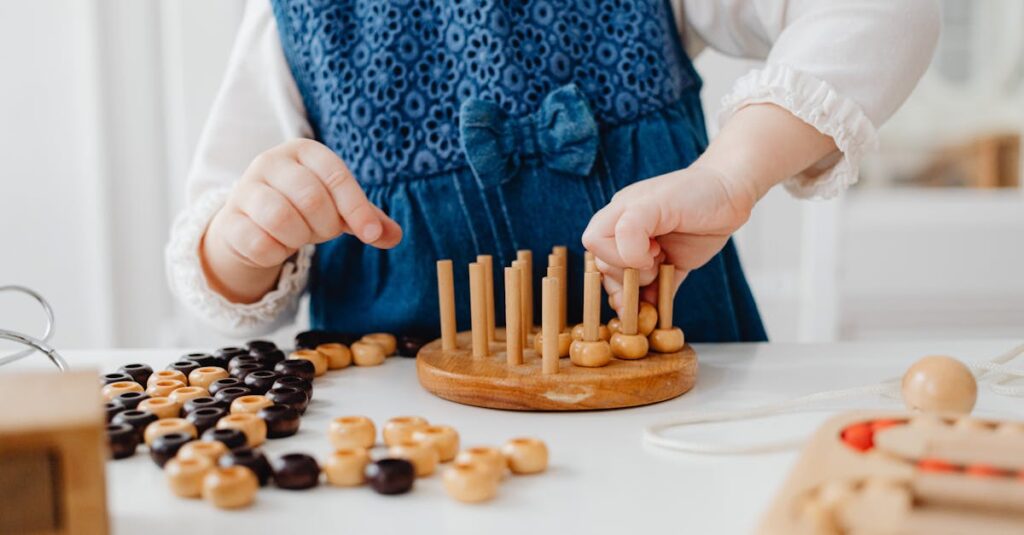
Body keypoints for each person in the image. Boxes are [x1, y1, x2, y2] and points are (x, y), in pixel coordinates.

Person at [167, 0, 940, 341]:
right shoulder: (294, 21)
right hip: (410, 468)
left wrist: (733, 174)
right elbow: (216, 273)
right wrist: (244, 242)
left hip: (676, 430)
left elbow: (883, 11)